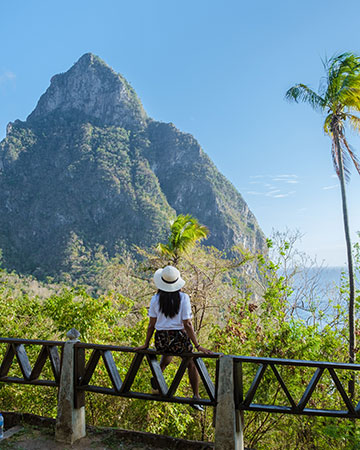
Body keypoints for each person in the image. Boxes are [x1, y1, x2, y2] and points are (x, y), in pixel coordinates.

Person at [135, 265, 212, 411]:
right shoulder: (183, 298)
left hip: (161, 340)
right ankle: (196, 397)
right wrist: (197, 345)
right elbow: (187, 324)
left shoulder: (155, 299)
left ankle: (158, 377)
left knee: (167, 354)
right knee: (192, 362)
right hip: (178, 339)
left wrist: (146, 344)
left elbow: (151, 324)